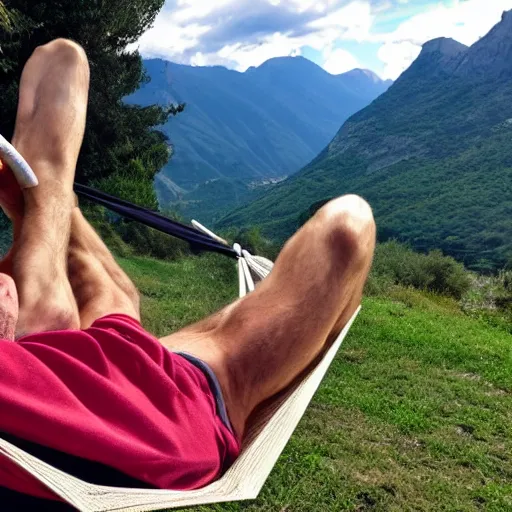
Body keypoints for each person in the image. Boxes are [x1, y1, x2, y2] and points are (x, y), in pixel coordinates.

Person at [0, 39, 376, 507]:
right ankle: (49, 193)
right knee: (349, 226)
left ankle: (51, 198)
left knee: (114, 299)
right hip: (150, 420)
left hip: (49, 370)